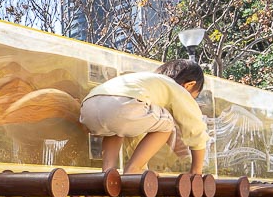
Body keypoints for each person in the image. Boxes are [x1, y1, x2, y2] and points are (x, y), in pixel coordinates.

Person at [79, 59, 208, 174]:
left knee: (116, 129)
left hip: (88, 107)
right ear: (189, 85)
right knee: (167, 122)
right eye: (194, 96)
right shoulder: (176, 88)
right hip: (123, 106)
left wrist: (143, 168)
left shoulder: (145, 81)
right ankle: (134, 169)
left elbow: (135, 134)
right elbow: (194, 128)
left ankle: (108, 171)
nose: (191, 100)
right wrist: (196, 170)